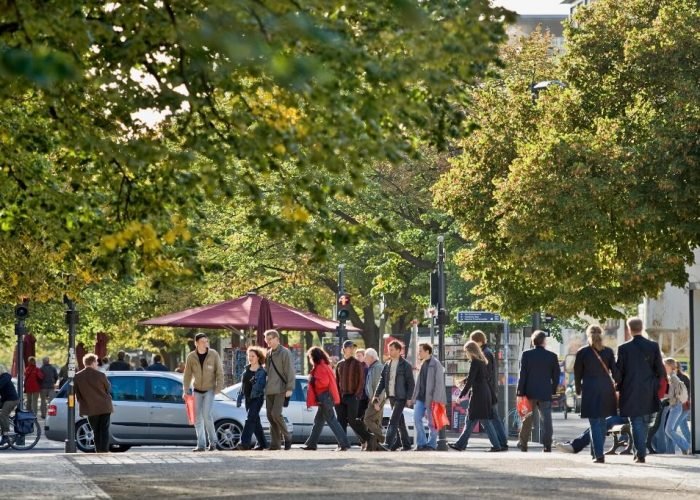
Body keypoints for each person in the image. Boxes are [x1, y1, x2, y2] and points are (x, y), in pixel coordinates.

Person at [616, 317, 665, 463]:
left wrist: (619, 386)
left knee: (636, 422)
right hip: (648, 389)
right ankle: (639, 451)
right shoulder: (653, 346)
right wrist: (654, 384)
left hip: (630, 390)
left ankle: (640, 453)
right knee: (643, 422)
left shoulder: (623, 348)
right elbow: (660, 370)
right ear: (642, 327)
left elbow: (620, 371)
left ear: (629, 329)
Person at [573, 325, 619, 463]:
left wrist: (578, 389)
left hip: (590, 389)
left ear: (588, 335)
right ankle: (595, 452)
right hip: (606, 389)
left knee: (594, 423)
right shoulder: (608, 352)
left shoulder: (582, 352)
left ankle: (599, 455)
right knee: (602, 423)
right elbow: (615, 372)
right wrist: (619, 384)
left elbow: (577, 373)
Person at [449, 341, 498, 451]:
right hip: (484, 394)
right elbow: (477, 377)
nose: (466, 354)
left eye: (466, 351)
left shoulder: (475, 362)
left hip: (478, 395)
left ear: (471, 351)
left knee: (473, 420)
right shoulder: (482, 362)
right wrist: (464, 380)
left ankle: (461, 444)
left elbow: (471, 381)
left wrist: (460, 396)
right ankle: (461, 444)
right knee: (478, 420)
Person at [516, 330, 560, 452]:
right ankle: (547, 445)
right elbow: (556, 376)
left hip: (529, 392)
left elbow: (522, 375)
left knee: (527, 419)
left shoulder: (526, 355)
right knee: (546, 420)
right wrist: (552, 389)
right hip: (545, 392)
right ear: (544, 342)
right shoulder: (552, 356)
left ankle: (523, 444)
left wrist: (520, 392)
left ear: (533, 341)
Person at [301, 347, 351, 451]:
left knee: (331, 421)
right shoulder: (324, 365)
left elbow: (323, 382)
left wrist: (313, 380)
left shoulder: (320, 367)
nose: (310, 359)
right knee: (318, 421)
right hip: (326, 397)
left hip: (324, 397)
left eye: (310, 357)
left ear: (314, 357)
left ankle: (344, 443)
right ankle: (311, 444)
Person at [183, 333, 224, 452]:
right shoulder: (191, 356)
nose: (205, 344)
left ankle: (213, 443)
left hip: (209, 390)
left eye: (206, 341)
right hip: (197, 390)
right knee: (197, 418)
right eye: (202, 342)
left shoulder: (213, 354)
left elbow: (219, 372)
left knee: (207, 416)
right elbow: (187, 375)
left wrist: (218, 388)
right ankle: (201, 445)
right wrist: (185, 390)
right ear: (196, 343)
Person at [470, 330, 509, 451]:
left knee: (491, 418)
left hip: (487, 391)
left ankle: (500, 443)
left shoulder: (484, 354)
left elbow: (483, 374)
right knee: (493, 418)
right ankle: (502, 442)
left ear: (480, 341)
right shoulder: (487, 352)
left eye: (474, 341)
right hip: (490, 390)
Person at [373, 340, 414, 452]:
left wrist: (409, 397)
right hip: (391, 396)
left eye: (391, 349)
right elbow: (382, 380)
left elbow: (411, 382)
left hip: (401, 397)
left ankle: (387, 443)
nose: (389, 351)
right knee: (400, 422)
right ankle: (406, 444)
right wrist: (376, 394)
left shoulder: (405, 365)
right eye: (389, 349)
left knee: (393, 420)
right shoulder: (387, 364)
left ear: (398, 350)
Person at [335, 340, 372, 449]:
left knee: (352, 420)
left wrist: (357, 395)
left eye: (353, 348)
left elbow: (361, 381)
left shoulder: (357, 363)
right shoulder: (339, 364)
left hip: (352, 396)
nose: (352, 350)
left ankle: (368, 437)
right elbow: (337, 381)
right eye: (349, 347)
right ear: (344, 349)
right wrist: (337, 396)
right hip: (341, 397)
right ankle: (342, 444)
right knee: (341, 421)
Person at [73, 353, 114, 453]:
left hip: (90, 408)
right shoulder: (100, 375)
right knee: (104, 430)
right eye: (96, 362)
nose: (97, 364)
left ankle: (98, 450)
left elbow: (77, 393)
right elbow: (108, 388)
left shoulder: (77, 377)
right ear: (92, 363)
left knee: (95, 430)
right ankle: (104, 451)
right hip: (104, 407)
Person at [411, 343, 446, 451]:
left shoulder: (436, 364)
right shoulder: (423, 363)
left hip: (432, 399)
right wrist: (414, 397)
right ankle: (422, 443)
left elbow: (439, 384)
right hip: (421, 398)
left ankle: (431, 445)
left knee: (432, 423)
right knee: (417, 419)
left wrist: (435, 400)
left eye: (420, 351)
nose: (419, 353)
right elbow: (419, 383)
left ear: (427, 351)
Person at [264, 329, 295, 451]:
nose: (268, 341)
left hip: (281, 388)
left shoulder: (285, 352)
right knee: (270, 417)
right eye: (267, 339)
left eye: (270, 339)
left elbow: (290, 371)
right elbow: (267, 371)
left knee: (276, 414)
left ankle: (287, 437)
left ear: (277, 339)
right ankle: (275, 444)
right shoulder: (269, 353)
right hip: (269, 389)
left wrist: (290, 388)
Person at [235, 346, 268, 451]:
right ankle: (263, 444)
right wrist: (239, 397)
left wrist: (255, 382)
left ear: (258, 357)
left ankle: (244, 443)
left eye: (253, 356)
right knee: (255, 421)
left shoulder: (262, 372)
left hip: (257, 398)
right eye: (249, 356)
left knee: (250, 419)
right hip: (248, 399)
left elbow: (261, 386)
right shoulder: (246, 370)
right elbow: (243, 385)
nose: (250, 358)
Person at [556, 415, 629, 453]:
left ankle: (576, 446)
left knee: (601, 423)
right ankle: (574, 444)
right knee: (599, 421)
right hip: (628, 413)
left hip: (630, 415)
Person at [663, 358, 691, 454]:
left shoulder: (673, 378)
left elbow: (673, 394)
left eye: (665, 365)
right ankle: (683, 448)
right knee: (670, 429)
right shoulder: (672, 377)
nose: (663, 367)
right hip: (675, 406)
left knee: (669, 430)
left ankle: (686, 446)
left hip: (676, 406)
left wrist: (664, 397)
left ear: (670, 366)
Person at [362, 348, 385, 451]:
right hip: (374, 399)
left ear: (371, 357)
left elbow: (380, 386)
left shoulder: (378, 367)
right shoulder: (372, 367)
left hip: (376, 400)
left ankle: (383, 438)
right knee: (376, 422)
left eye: (366, 356)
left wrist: (377, 402)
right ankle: (376, 445)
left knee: (367, 419)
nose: (364, 358)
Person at [0, 366, 20, 445]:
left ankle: (5, 435)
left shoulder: (5, 377)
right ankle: (3, 424)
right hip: (5, 399)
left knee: (3, 415)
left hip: (12, 400)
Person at [675, 364, 691, 448]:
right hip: (684, 406)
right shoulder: (683, 377)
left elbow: (687, 392)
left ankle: (685, 446)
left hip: (683, 406)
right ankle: (691, 444)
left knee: (672, 428)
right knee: (684, 426)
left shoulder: (682, 378)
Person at [354, 348, 369, 428]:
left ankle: (364, 438)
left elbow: (366, 384)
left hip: (363, 398)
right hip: (357, 397)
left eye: (359, 356)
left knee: (360, 419)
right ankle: (363, 438)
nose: (357, 358)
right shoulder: (355, 368)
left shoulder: (366, 369)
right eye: (356, 356)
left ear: (364, 357)